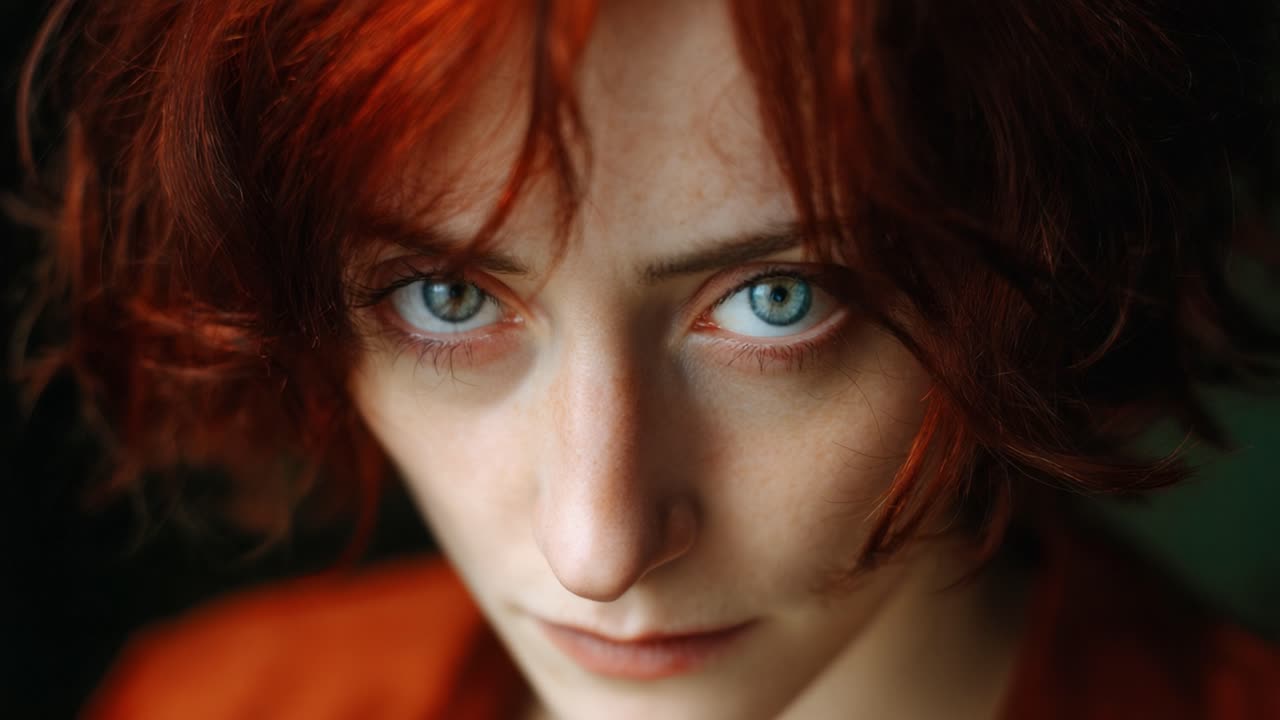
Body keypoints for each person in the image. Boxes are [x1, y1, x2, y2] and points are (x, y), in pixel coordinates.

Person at [13, 0, 1280, 717]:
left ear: (1036, 253)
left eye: (778, 301)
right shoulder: (222, 705)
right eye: (445, 297)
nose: (598, 545)